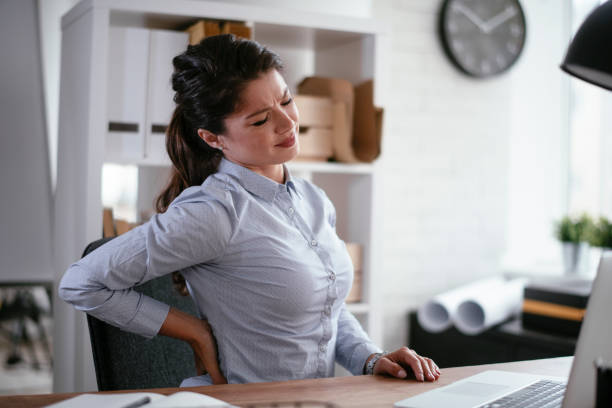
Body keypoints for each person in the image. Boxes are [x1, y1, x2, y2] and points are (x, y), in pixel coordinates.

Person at [59, 34, 440, 387]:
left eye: (286, 100)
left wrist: (371, 359)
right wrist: (195, 331)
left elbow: (327, 308)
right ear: (212, 138)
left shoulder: (312, 199)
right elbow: (81, 282)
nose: (288, 123)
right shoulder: (214, 213)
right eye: (260, 120)